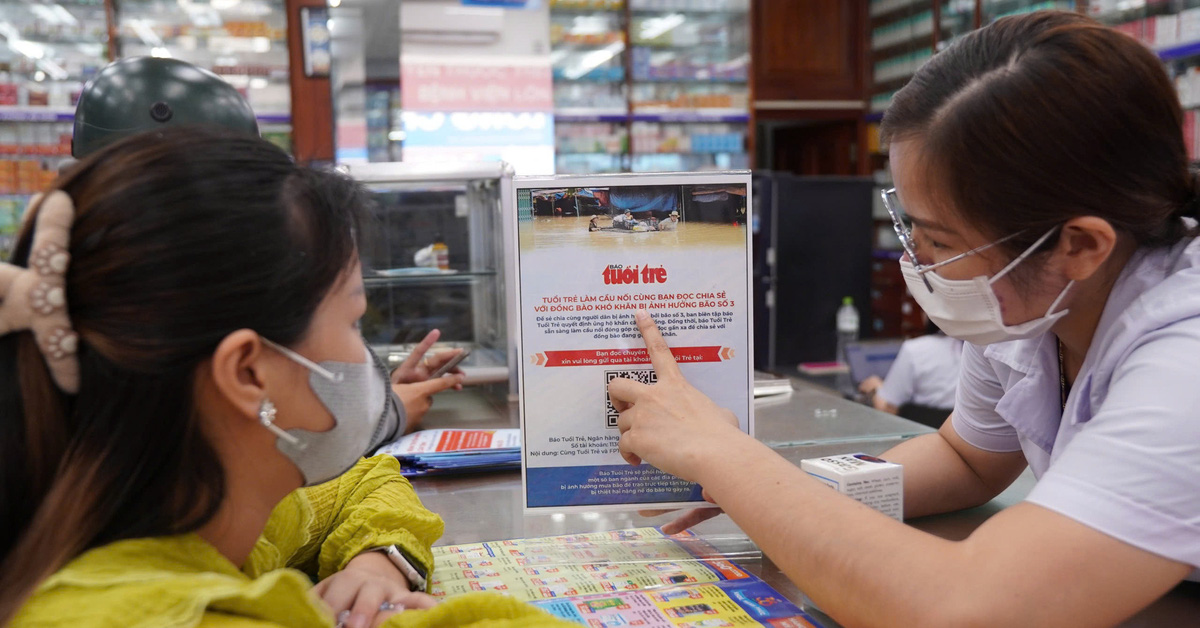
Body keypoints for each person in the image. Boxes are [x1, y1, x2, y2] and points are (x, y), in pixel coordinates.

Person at [610, 12, 1200, 627]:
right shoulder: (1033, 310)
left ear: (1079, 246)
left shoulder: (1186, 360)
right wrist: (778, 494)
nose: (916, 260)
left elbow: (966, 611)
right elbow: (966, 460)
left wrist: (723, 457)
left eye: (942, 241)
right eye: (909, 226)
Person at [0, 128, 572, 628]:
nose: (365, 354)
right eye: (353, 320)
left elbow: (366, 480)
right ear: (248, 372)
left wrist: (383, 557)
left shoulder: (180, 508)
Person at [70, 55, 463, 431]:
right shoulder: (160, 314)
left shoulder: (91, 291)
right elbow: (265, 438)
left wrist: (378, 398)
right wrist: (385, 411)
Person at [858, 319, 961, 417]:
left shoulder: (916, 350)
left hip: (918, 432)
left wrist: (876, 389)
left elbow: (887, 409)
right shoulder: (974, 351)